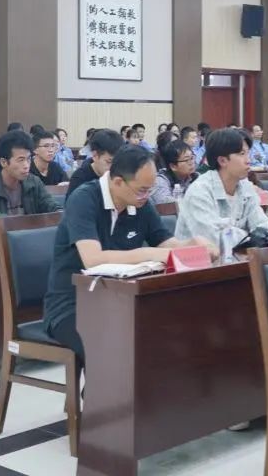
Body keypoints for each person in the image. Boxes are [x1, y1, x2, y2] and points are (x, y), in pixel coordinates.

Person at [43, 146, 214, 370]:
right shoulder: (84, 199)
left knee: (174, 334)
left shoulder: (139, 202)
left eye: (150, 190)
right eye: (142, 190)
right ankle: (103, 394)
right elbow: (92, 259)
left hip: (122, 302)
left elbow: (166, 243)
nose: (146, 196)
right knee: (113, 348)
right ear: (117, 182)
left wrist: (193, 245)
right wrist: (149, 253)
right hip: (74, 305)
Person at [175, 128, 268, 247]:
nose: (249, 160)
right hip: (201, 259)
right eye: (242, 154)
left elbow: (263, 227)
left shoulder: (245, 185)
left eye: (248, 153)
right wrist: (250, 237)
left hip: (241, 256)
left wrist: (254, 237)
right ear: (222, 160)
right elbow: (212, 241)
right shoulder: (199, 191)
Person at [0, 131, 60, 226]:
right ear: (4, 162)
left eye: (28, 159)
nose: (26, 165)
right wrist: (16, 222)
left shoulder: (34, 182)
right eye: (21, 160)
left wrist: (61, 212)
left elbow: (51, 204)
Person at [66, 129, 123, 197]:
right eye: (109, 162)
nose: (113, 168)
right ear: (95, 155)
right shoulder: (80, 178)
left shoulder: (121, 176)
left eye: (117, 162)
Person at [151, 140, 199, 205]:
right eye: (187, 160)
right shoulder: (161, 180)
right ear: (173, 166)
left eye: (192, 158)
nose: (192, 162)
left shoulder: (196, 177)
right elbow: (166, 204)